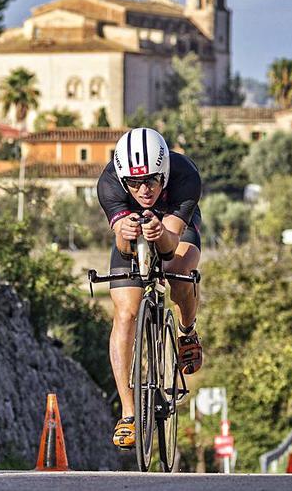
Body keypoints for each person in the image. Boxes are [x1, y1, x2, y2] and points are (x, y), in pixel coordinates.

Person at [97, 128, 204, 450]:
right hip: (131, 233)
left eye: (152, 181)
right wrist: (125, 232)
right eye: (134, 183)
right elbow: (123, 246)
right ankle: (129, 415)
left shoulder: (185, 175)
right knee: (125, 313)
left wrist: (160, 231)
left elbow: (171, 245)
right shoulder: (109, 183)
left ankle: (187, 331)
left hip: (173, 226)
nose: (143, 190)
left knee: (178, 271)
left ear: (165, 173)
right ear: (122, 178)